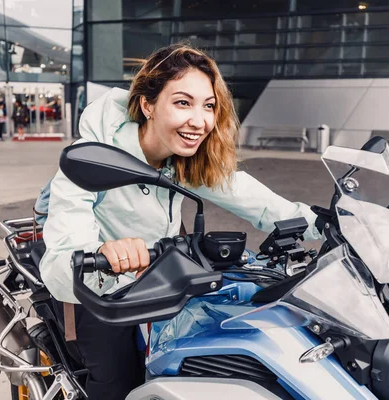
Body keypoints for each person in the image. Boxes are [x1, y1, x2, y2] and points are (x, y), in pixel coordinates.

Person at [39, 44, 322, 400]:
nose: (200, 120)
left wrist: (326, 222)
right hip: (103, 290)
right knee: (116, 382)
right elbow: (66, 247)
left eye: (208, 106)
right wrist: (102, 254)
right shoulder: (95, 154)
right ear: (148, 105)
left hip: (163, 282)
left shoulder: (184, 159)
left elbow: (259, 203)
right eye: (183, 103)